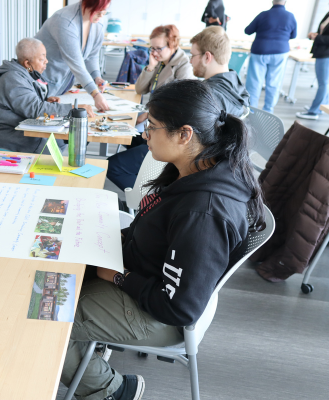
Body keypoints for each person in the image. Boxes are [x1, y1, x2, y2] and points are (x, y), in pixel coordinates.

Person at [61, 79, 264, 400]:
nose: (144, 133)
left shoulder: (204, 212)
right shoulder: (193, 168)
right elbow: (155, 230)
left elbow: (180, 309)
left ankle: (113, 391)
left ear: (185, 134)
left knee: (50, 315)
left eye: (152, 127)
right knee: (57, 268)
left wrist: (118, 276)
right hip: (149, 276)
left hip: (161, 311)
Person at [106, 24, 194, 191]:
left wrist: (147, 114)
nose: (154, 53)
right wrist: (150, 66)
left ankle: (148, 197)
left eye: (159, 48)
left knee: (112, 166)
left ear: (172, 44)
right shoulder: (162, 62)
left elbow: (182, 107)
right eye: (152, 48)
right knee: (126, 134)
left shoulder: (184, 67)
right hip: (154, 126)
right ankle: (144, 183)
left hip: (167, 134)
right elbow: (140, 89)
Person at [0, 38, 94, 153]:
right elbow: (35, 109)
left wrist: (46, 101)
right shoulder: (13, 79)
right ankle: (44, 170)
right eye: (42, 59)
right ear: (27, 63)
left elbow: (26, 102)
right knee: (54, 144)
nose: (46, 61)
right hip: (5, 131)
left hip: (21, 126)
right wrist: (73, 109)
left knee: (61, 138)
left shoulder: (23, 74)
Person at [34, 0, 110, 111]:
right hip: (42, 83)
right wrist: (95, 94)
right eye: (98, 11)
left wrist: (96, 76)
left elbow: (91, 56)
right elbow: (76, 63)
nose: (101, 15)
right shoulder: (64, 21)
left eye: (104, 12)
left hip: (61, 87)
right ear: (86, 4)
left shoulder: (98, 23)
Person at [245, 0, 297, 113]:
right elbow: (294, 35)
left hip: (260, 50)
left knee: (254, 82)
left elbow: (248, 30)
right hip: (280, 52)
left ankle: (251, 111)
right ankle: (268, 111)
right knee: (274, 83)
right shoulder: (290, 16)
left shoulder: (263, 15)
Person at [190, 26, 250, 117]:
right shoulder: (238, 88)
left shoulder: (206, 97)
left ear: (207, 57)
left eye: (193, 55)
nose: (190, 61)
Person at [296, 9, 329, 120]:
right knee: (324, 84)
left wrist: (317, 37)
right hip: (321, 52)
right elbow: (323, 32)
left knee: (323, 84)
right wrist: (315, 35)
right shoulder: (328, 13)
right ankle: (319, 107)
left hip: (326, 54)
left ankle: (313, 111)